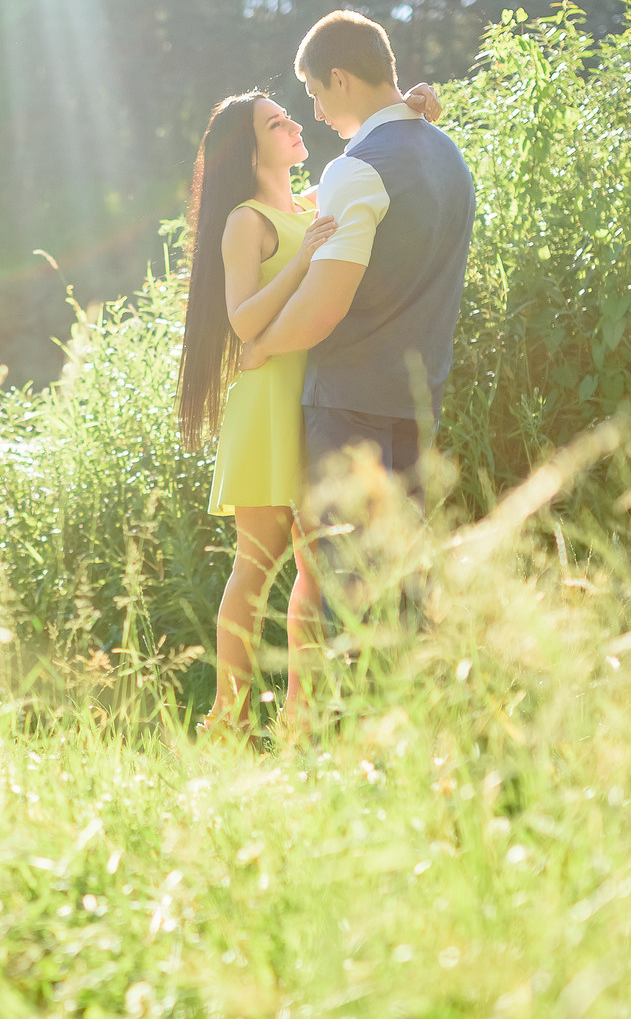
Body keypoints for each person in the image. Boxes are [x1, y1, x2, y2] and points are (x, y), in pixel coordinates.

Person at [178, 74, 444, 732]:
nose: (295, 125)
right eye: (276, 123)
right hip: (268, 403)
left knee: (313, 566)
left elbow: (371, 141)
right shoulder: (246, 221)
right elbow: (243, 323)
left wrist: (413, 106)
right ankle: (227, 713)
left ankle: (299, 714)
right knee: (257, 564)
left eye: (292, 116)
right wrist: (300, 265)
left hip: (311, 397)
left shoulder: (309, 202)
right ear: (249, 151)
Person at [239, 9, 476, 631]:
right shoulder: (450, 157)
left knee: (343, 595)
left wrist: (260, 346)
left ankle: (346, 728)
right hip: (418, 403)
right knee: (405, 590)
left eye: (315, 94)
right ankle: (417, 721)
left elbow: (322, 307)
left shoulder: (357, 168)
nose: (314, 112)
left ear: (340, 79)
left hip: (347, 408)